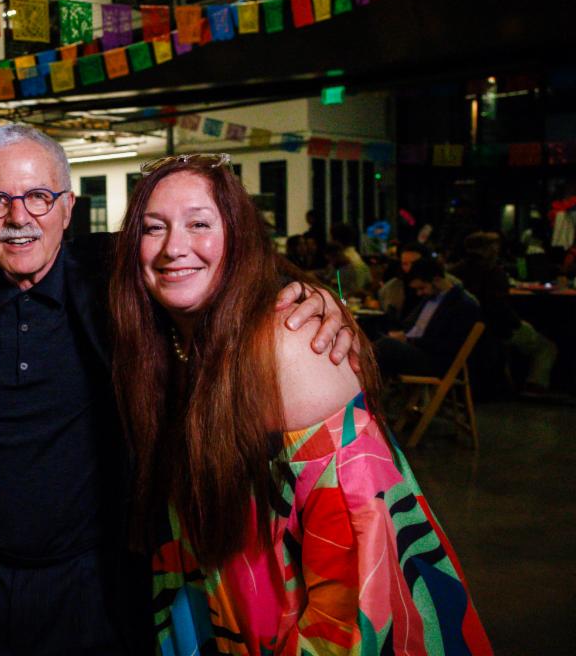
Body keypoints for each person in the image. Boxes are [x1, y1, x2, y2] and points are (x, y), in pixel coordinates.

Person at [0, 125, 357, 655]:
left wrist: (305, 294)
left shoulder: (111, 276)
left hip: (96, 579)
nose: (19, 217)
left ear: (68, 207)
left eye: (39, 196)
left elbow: (213, 260)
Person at [110, 154, 491, 655]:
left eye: (199, 224)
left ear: (239, 237)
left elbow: (357, 572)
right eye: (153, 228)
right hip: (219, 608)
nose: (173, 247)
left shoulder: (288, 345)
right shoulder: (168, 340)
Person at [452, 231, 556, 393]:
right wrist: (518, 324)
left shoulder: (454, 271)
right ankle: (535, 385)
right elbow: (499, 310)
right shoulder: (494, 273)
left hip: (465, 328)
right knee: (546, 347)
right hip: (497, 329)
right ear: (490, 249)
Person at [373, 256, 482, 380]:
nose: (419, 293)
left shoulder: (462, 304)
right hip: (417, 349)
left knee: (385, 347)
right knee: (373, 338)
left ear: (436, 280)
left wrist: (409, 339)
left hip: (436, 360)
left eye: (422, 288)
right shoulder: (431, 298)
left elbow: (448, 344)